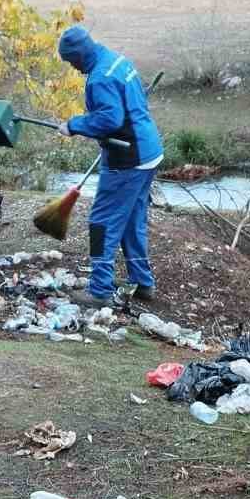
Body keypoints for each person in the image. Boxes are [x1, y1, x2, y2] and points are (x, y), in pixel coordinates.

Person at [56, 26, 163, 307]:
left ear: (78, 56)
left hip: (128, 158)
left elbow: (109, 120)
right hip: (150, 150)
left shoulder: (99, 79)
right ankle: (142, 282)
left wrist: (74, 125)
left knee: (101, 222)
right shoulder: (116, 60)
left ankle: (100, 290)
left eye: (71, 61)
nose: (73, 67)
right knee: (131, 220)